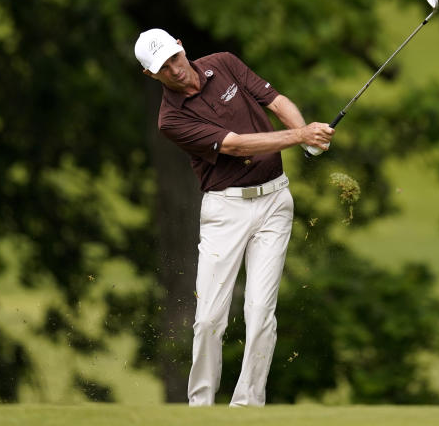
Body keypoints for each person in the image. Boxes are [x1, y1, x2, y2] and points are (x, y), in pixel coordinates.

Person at [134, 28, 334, 407]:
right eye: (162, 68)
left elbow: (274, 100)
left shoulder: (223, 63)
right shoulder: (170, 119)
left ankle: (247, 407)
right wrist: (300, 136)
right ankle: (201, 407)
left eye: (173, 58)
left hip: (275, 201)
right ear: (151, 75)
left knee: (261, 312)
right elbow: (234, 144)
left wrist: (304, 132)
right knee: (209, 318)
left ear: (180, 45)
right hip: (226, 211)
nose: (175, 70)